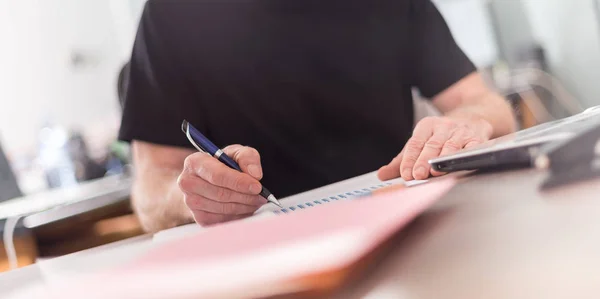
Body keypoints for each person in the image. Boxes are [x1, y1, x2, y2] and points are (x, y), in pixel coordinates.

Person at [119, 0, 516, 232]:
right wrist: (194, 195)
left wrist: (466, 122)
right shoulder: (172, 14)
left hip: (402, 231)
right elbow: (151, 188)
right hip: (263, 256)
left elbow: (486, 104)